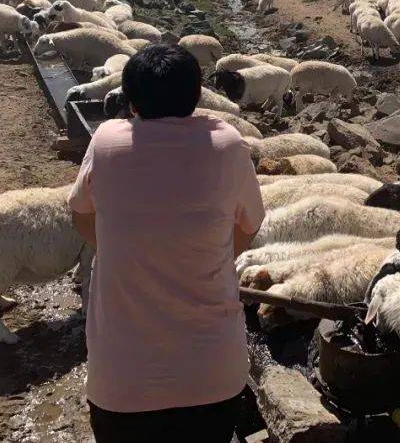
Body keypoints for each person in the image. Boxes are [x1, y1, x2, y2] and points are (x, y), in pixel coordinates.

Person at [68, 43, 264, 442]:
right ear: (198, 96)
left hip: (123, 382)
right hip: (213, 375)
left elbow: (80, 214)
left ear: (131, 101)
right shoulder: (229, 145)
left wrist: (122, 251)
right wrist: (203, 256)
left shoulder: (106, 142)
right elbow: (249, 226)